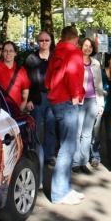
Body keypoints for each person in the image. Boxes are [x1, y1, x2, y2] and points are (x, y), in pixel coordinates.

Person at [44, 26, 85, 205]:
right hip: (68, 102)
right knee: (67, 149)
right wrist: (77, 96)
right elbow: (74, 75)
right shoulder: (74, 52)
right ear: (75, 39)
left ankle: (65, 188)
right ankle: (60, 192)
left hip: (54, 101)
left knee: (64, 147)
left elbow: (47, 80)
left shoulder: (55, 53)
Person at [73, 38, 105, 174]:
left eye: (90, 46)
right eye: (85, 46)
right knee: (77, 133)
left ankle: (83, 162)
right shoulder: (75, 62)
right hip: (78, 101)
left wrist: (100, 104)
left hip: (92, 101)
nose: (88, 48)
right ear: (80, 46)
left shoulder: (96, 64)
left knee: (87, 134)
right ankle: (75, 162)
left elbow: (99, 86)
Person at [24, 31, 55, 166]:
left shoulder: (55, 58)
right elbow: (26, 81)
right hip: (37, 97)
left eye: (46, 40)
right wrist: (28, 99)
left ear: (50, 42)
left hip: (53, 97)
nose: (44, 43)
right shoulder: (31, 59)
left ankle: (49, 155)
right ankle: (35, 154)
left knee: (51, 127)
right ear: (38, 42)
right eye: (41, 40)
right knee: (35, 127)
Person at [0, 41, 30, 111]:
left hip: (16, 110)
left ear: (15, 53)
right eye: (5, 51)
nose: (8, 53)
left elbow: (25, 93)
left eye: (11, 51)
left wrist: (20, 111)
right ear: (2, 53)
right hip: (0, 110)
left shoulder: (21, 71)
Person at [93, 54, 111, 166]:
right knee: (96, 133)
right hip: (100, 106)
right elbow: (96, 87)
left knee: (110, 135)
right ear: (108, 60)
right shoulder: (101, 71)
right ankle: (95, 156)